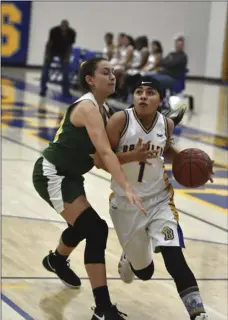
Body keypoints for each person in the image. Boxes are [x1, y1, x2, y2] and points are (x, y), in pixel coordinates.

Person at [91, 77, 213, 320]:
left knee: (173, 254)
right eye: (138, 92)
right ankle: (131, 257)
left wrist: (195, 163)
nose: (143, 96)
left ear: (160, 99)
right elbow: (98, 160)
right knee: (144, 272)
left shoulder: (166, 123)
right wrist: (132, 156)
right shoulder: (120, 121)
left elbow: (165, 148)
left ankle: (198, 313)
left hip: (160, 200)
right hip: (126, 204)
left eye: (149, 92)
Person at [33, 57, 145, 320]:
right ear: (90, 80)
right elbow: (106, 153)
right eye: (105, 72)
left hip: (71, 176)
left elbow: (99, 159)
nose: (113, 76)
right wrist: (126, 185)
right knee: (95, 229)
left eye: (113, 72)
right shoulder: (87, 108)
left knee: (85, 225)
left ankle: (56, 260)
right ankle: (103, 309)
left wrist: (136, 154)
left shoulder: (103, 111)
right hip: (53, 174)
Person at [40, 20, 76, 97]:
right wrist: (47, 55)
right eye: (62, 27)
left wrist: (67, 58)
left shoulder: (72, 33)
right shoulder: (54, 31)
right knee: (46, 69)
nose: (64, 29)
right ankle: (43, 89)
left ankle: (65, 91)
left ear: (67, 27)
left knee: (66, 71)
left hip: (63, 52)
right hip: (53, 50)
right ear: (60, 26)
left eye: (65, 27)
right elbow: (49, 44)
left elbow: (69, 47)